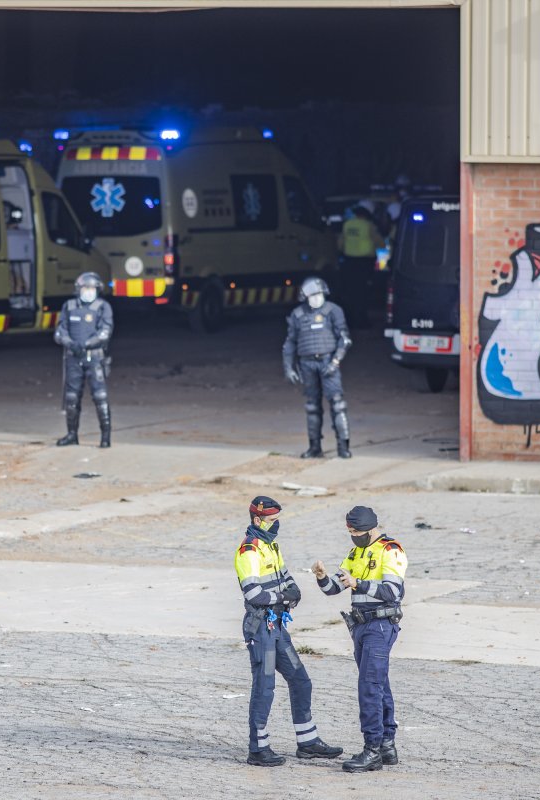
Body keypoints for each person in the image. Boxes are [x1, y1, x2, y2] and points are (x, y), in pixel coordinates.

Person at [235, 496, 343, 766]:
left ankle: (307, 743)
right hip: (261, 629)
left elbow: (288, 579)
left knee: (300, 679)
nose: (276, 525)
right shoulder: (249, 551)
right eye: (272, 521)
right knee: (265, 686)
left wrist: (290, 594)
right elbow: (254, 593)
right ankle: (257, 749)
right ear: (257, 520)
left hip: (278, 626)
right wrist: (284, 597)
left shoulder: (272, 547)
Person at [312, 505, 407, 773]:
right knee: (379, 685)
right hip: (360, 627)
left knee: (369, 687)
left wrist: (359, 584)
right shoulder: (356, 552)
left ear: (370, 528)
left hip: (380, 625)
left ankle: (372, 750)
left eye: (357, 531)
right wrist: (322, 577)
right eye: (350, 532)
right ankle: (387, 746)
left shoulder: (391, 550)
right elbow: (335, 587)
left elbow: (392, 591)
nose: (353, 535)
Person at [282, 277, 353, 459]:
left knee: (337, 404)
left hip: (328, 361)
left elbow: (344, 339)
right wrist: (288, 368)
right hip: (307, 364)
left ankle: (343, 447)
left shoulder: (334, 311)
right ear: (305, 297)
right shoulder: (297, 314)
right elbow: (290, 343)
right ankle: (314, 447)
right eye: (313, 295)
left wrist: (335, 361)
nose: (317, 298)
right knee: (312, 406)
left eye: (319, 294)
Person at [54, 272, 113, 447]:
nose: (88, 291)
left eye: (92, 288)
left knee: (100, 396)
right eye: (85, 288)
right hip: (73, 359)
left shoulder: (103, 306)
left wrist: (87, 344)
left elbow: (105, 332)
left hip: (94, 359)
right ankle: (72, 434)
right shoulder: (69, 306)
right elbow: (59, 331)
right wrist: (69, 343)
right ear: (78, 289)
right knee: (71, 398)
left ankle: (105, 437)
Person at [337, 205, 384, 324]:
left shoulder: (347, 224)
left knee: (350, 291)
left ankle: (350, 319)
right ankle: (361, 320)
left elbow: (340, 244)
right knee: (362, 292)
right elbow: (380, 244)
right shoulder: (369, 226)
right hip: (364, 263)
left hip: (349, 261)